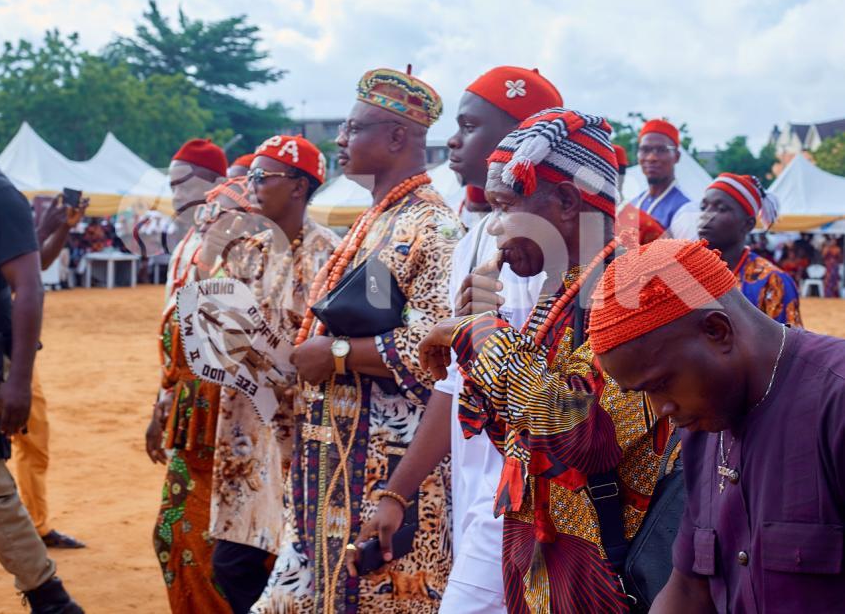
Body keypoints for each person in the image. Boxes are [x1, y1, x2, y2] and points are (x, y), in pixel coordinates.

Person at [418, 108, 670, 613]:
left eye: (505, 205)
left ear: (565, 200)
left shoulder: (631, 290)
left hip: (602, 576)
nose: (493, 229)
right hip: (541, 564)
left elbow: (580, 437)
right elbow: (520, 435)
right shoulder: (560, 291)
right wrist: (481, 335)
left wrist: (480, 334)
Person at [350, 66, 562, 612]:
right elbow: (456, 383)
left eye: (469, 125)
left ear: (521, 139)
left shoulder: (562, 249)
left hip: (537, 505)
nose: (453, 138)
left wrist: (468, 334)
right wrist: (399, 491)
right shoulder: (474, 244)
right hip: (475, 494)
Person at [252, 67, 462, 614]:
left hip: (388, 470)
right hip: (332, 467)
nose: (339, 141)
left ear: (396, 138)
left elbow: (439, 348)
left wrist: (336, 354)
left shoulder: (433, 227)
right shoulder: (377, 220)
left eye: (352, 128)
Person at [590, 239, 845, 613]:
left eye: (661, 384)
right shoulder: (703, 426)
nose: (661, 409)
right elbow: (691, 590)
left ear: (716, 331)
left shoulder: (834, 402)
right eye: (642, 393)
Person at [209, 136, 339, 614]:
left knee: (303, 562)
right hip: (247, 432)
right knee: (233, 562)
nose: (253, 186)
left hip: (306, 435)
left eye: (264, 177)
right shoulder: (242, 252)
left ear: (300, 187)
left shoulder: (334, 256)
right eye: (252, 177)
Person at [145, 139, 231, 614]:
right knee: (175, 536)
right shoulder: (185, 246)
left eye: (183, 182)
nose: (174, 192)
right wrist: (161, 406)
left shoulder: (236, 243)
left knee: (214, 547)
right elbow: (171, 339)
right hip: (186, 412)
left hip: (226, 423)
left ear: (216, 184)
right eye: (170, 182)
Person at [0, 164, 84, 613]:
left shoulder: (0, 195)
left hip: (9, 362)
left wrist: (19, 381)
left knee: (17, 464)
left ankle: (49, 596)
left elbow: (31, 281)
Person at [699, 173, 802, 326]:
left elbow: (788, 346)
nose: (706, 216)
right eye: (703, 207)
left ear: (748, 224)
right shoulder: (691, 274)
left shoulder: (772, 281)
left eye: (721, 209)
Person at [630, 119, 697, 239]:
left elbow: (689, 257)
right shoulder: (633, 203)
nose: (651, 157)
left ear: (676, 156)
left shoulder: (686, 210)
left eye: (661, 150)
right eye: (645, 150)